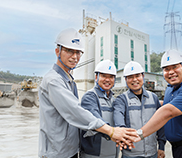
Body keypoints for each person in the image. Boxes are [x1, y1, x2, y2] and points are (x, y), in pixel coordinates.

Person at [38, 28, 137, 158]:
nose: (75, 57)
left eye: (78, 52)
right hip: (56, 152)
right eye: (69, 51)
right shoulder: (54, 81)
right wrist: (111, 131)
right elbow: (74, 111)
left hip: (70, 149)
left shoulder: (68, 80)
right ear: (58, 51)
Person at [113, 61, 166, 158]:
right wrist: (122, 134)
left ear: (143, 76)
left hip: (152, 153)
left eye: (137, 76)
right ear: (125, 79)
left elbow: (161, 123)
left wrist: (161, 146)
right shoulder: (121, 100)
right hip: (131, 154)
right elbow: (119, 122)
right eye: (130, 77)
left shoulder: (153, 98)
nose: (134, 80)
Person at [80, 59, 119, 158]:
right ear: (96, 77)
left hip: (112, 153)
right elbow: (96, 119)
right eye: (104, 76)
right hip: (93, 154)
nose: (107, 79)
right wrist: (113, 133)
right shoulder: (90, 97)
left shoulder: (114, 100)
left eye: (111, 77)